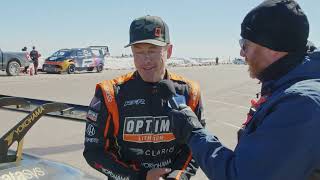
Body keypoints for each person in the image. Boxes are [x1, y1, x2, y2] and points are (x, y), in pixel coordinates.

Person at [168, 0, 320, 180]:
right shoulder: (285, 83)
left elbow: (241, 175)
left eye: (245, 45)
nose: (241, 53)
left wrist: (192, 131)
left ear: (273, 49)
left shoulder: (301, 105)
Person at [83, 15, 205, 180]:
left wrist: (177, 177)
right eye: (138, 52)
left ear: (168, 51)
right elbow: (94, 152)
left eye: (152, 51)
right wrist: (139, 177)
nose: (145, 59)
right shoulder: (109, 93)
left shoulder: (190, 92)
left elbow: (195, 146)